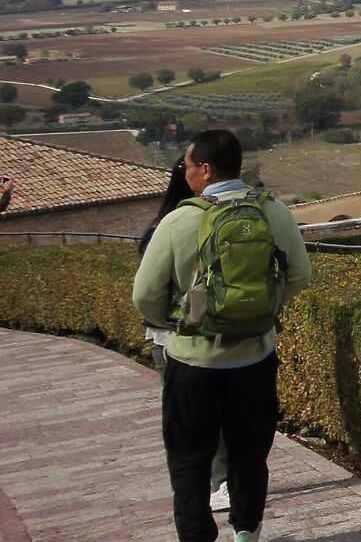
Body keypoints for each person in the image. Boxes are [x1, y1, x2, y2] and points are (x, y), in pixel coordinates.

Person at [132, 128, 312, 542]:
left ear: (206, 170)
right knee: (249, 454)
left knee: (189, 457)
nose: (186, 173)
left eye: (187, 166)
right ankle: (246, 533)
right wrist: (262, 312)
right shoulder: (274, 211)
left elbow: (145, 295)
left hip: (193, 360)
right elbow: (300, 274)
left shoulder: (179, 220)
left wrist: (175, 323)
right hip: (254, 357)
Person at [139, 158, 230, 517]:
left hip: (170, 337)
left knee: (184, 421)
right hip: (219, 332)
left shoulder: (165, 225)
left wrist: (162, 321)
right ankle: (224, 481)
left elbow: (146, 293)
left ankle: (198, 491)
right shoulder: (224, 217)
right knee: (220, 412)